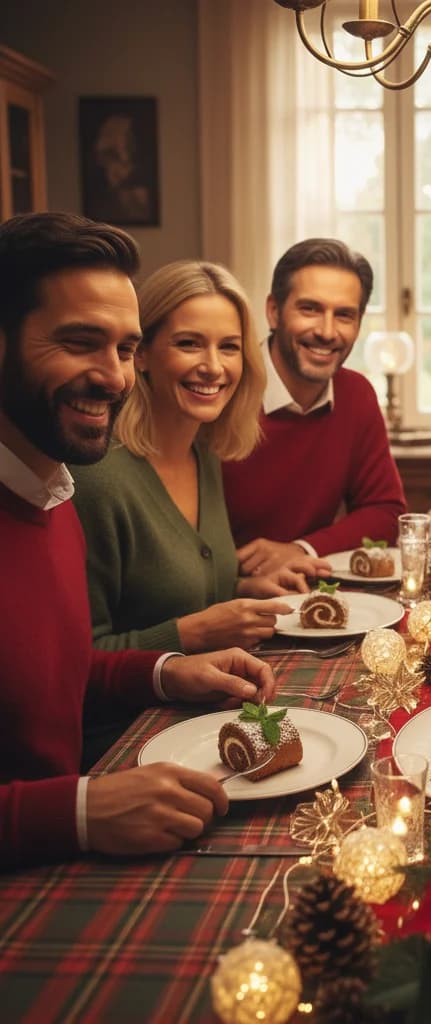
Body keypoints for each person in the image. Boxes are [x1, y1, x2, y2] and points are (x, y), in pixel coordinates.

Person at [0, 212, 278, 871]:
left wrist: (167, 668)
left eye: (123, 349)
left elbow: (57, 671)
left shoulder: (55, 489)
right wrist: (78, 811)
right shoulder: (84, 482)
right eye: (79, 342)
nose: (117, 376)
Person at [72, 260, 319, 653]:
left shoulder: (203, 454)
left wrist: (237, 592)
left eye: (229, 347)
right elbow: (77, 659)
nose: (213, 367)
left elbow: (167, 598)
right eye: (188, 343)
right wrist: (192, 634)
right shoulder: (96, 477)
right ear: (141, 354)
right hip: (134, 715)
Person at [221, 238, 406, 577]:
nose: (326, 331)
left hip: (310, 593)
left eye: (345, 315)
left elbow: (385, 512)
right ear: (274, 311)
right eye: (310, 309)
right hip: (222, 600)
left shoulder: (356, 394)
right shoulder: (222, 386)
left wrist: (299, 550)